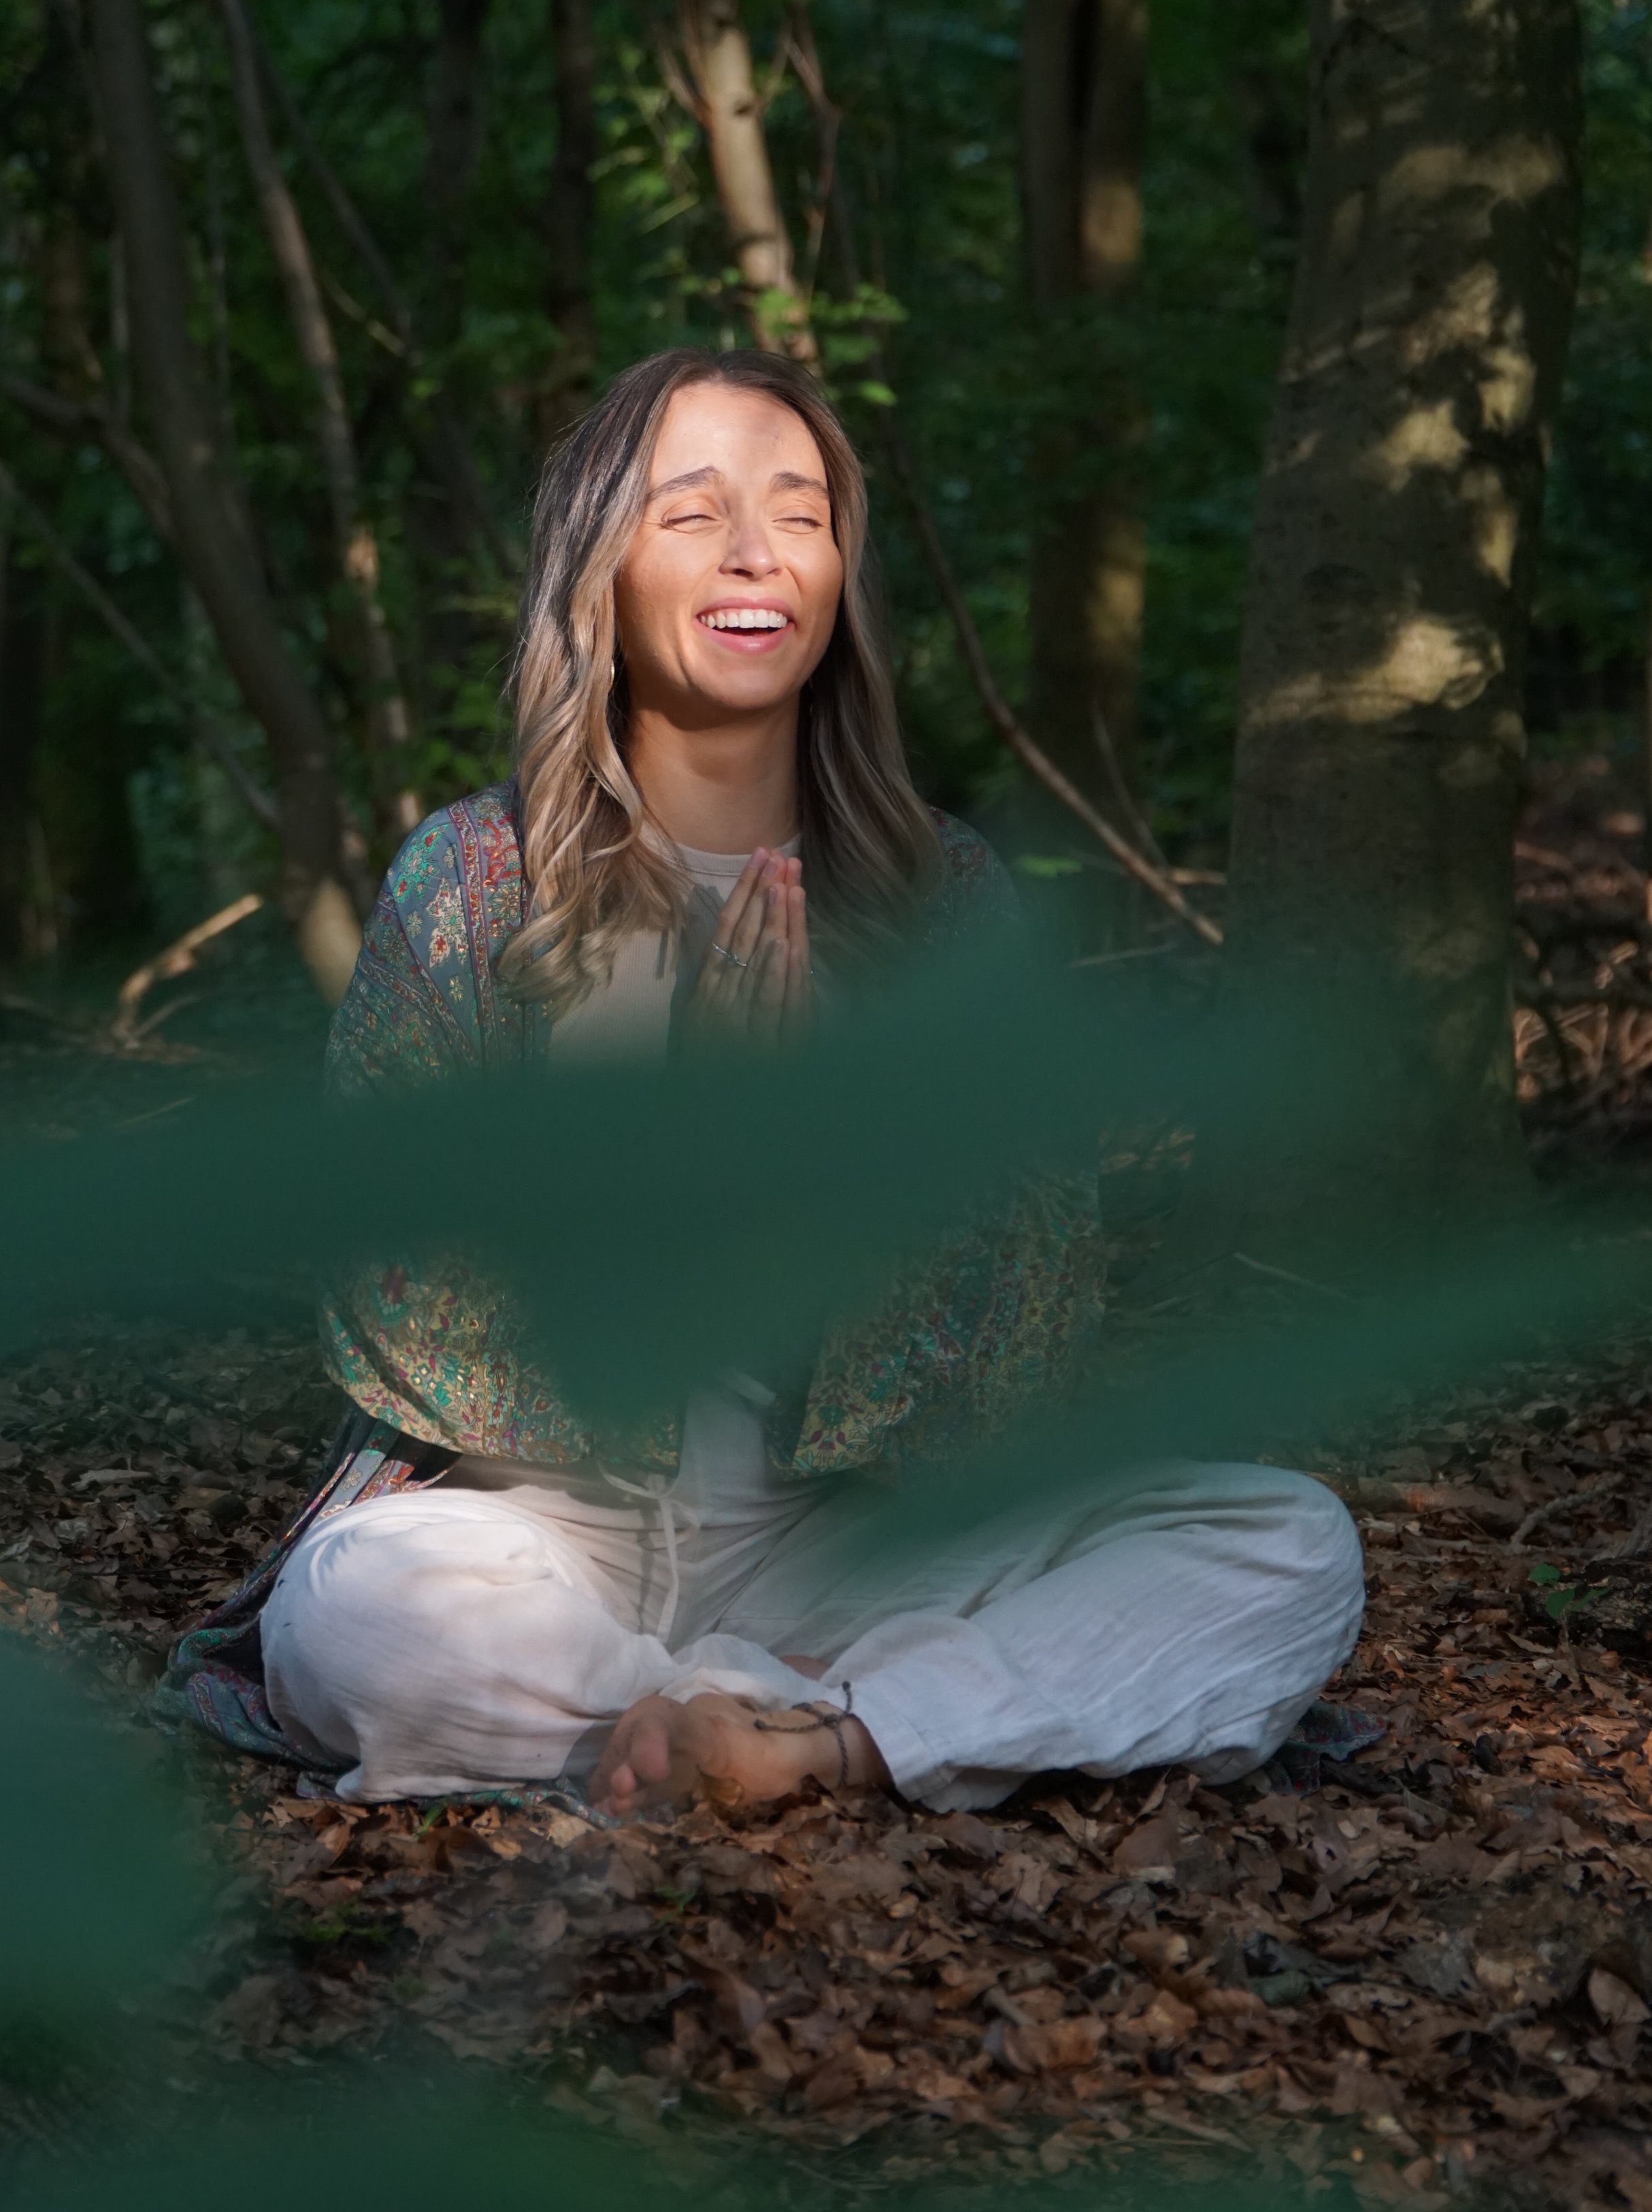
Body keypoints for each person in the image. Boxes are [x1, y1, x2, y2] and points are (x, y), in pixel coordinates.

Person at [163, 347, 1365, 1819]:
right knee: (358, 1610)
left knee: (1285, 1543)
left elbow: (1025, 1325)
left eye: (798, 515)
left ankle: (778, 1743)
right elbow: (389, 1300)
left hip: (840, 1542)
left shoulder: (946, 906)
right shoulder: (474, 888)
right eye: (693, 513)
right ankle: (834, 1724)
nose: (755, 553)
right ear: (596, 569)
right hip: (541, 1530)